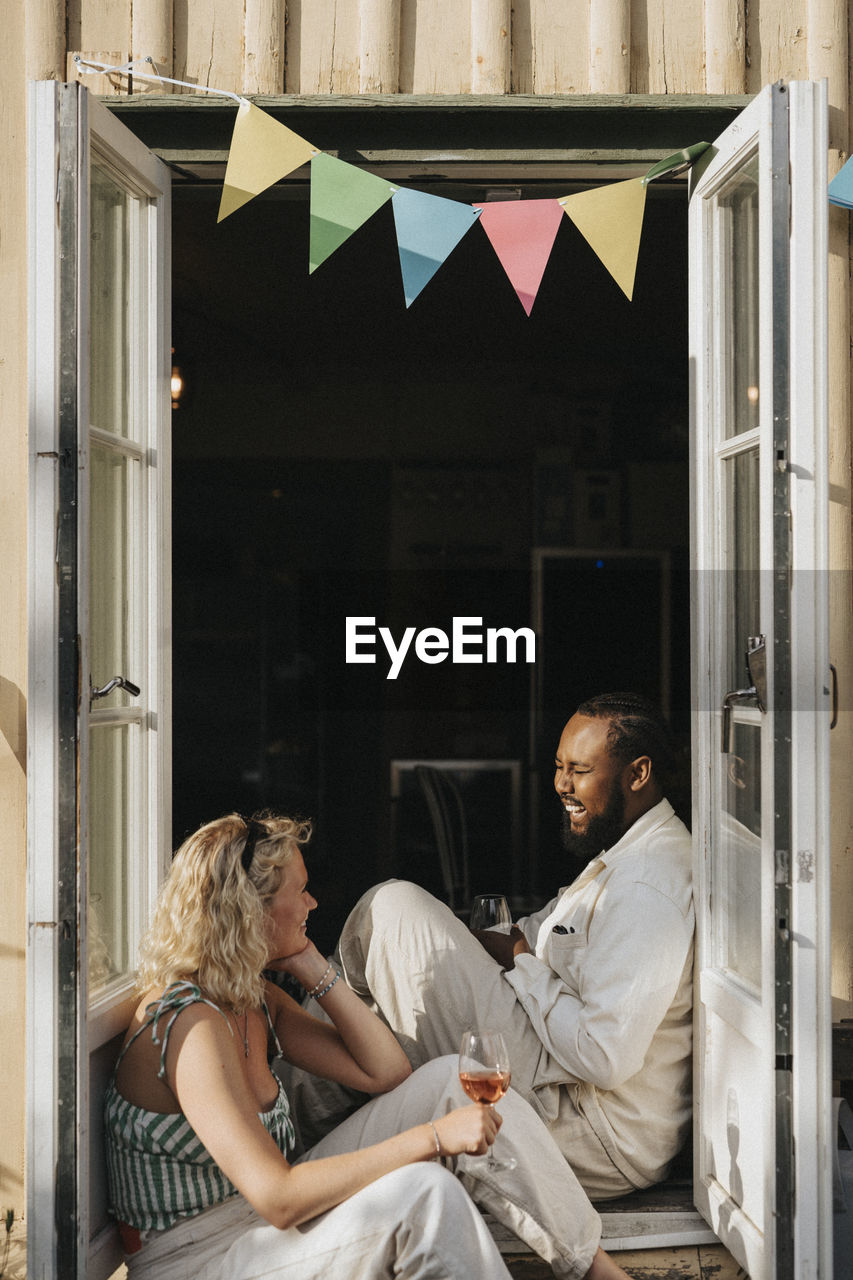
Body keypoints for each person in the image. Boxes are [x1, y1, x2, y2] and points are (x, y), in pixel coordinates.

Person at [104, 810, 635, 1280]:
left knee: (454, 1078)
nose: (313, 901)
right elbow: (280, 1198)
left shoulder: (254, 998)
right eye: (301, 892)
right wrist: (434, 1138)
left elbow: (388, 1073)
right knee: (425, 1197)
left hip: (255, 1224)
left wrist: (312, 965)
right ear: (252, 912)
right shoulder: (190, 1024)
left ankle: (595, 1269)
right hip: (200, 1258)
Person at [284, 692, 694, 1202]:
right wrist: (500, 950)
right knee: (369, 992)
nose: (561, 785)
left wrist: (520, 960)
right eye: (558, 767)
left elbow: (602, 1056)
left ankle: (286, 1143)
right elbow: (536, 932)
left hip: (589, 1123)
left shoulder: (646, 889)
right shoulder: (628, 856)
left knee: (392, 908)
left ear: (638, 774)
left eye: (580, 770)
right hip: (556, 1069)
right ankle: (292, 1140)